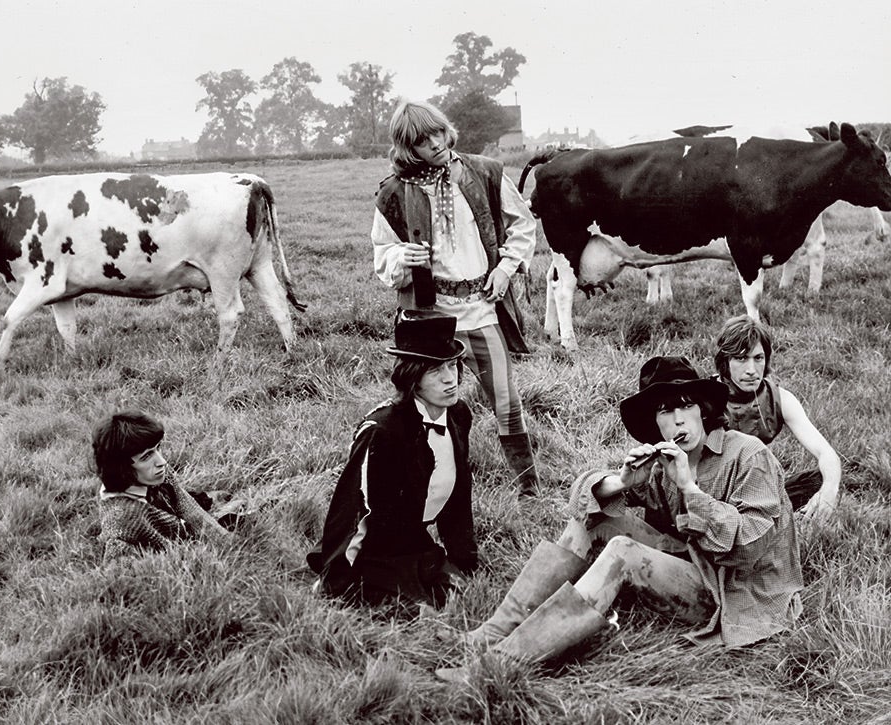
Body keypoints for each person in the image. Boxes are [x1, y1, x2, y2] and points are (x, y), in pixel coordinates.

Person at [437, 356, 802, 681]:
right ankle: (492, 632)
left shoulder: (747, 454)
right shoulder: (664, 462)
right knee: (592, 520)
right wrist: (621, 482)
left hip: (735, 590)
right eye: (665, 411)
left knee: (623, 551)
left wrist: (691, 489)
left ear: (703, 408)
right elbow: (581, 503)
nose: (678, 419)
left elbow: (750, 547)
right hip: (689, 560)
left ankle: (500, 663)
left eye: (686, 406)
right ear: (654, 423)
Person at [371, 98, 540, 497]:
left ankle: (527, 486)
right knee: (428, 404)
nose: (436, 143)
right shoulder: (393, 193)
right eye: (423, 140)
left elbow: (523, 225)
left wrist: (504, 269)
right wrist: (402, 256)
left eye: (439, 132)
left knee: (506, 399)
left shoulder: (484, 172)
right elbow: (382, 252)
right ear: (407, 148)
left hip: (481, 307)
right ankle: (429, 480)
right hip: (431, 316)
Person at [307, 309, 478, 611]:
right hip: (375, 551)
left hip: (415, 543)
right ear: (412, 376)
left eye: (452, 366)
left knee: (460, 594)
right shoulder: (382, 431)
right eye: (436, 371)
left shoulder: (459, 415)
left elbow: (459, 498)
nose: (450, 379)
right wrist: (336, 580)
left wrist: (464, 561)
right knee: (416, 612)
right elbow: (351, 511)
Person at [714, 315, 841, 521]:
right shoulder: (705, 399)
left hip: (759, 488)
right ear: (725, 361)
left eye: (758, 358)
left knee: (822, 480)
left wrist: (829, 491)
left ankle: (780, 519)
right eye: (741, 358)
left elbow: (825, 452)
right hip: (716, 494)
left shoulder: (780, 398)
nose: (751, 370)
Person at [92, 410, 232, 561]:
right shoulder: (123, 519)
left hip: (172, 516)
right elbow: (119, 571)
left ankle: (211, 501)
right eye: (146, 456)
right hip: (174, 543)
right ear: (121, 468)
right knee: (228, 512)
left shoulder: (156, 472)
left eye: (157, 448)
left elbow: (186, 504)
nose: (162, 462)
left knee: (219, 507)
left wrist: (224, 538)